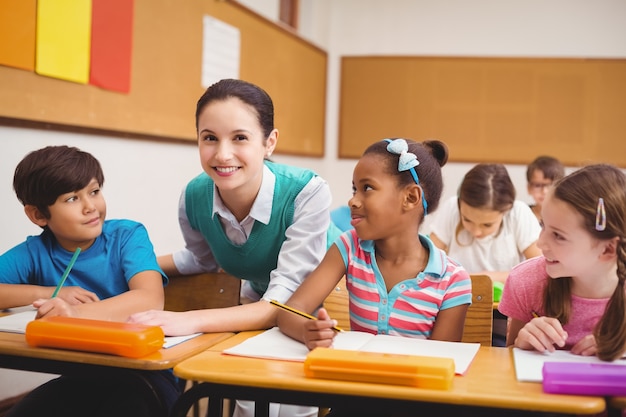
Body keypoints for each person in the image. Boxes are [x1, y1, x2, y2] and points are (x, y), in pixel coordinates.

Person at [128, 78, 340, 417]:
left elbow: (282, 302)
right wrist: (132, 267)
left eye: (240, 137)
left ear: (269, 142)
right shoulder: (194, 196)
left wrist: (185, 320)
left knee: (281, 406)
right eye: (209, 138)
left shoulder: (307, 193)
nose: (222, 154)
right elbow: (202, 259)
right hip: (265, 308)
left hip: (329, 311)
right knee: (244, 394)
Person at [276, 138, 472, 415]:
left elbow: (439, 369)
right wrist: (307, 332)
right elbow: (289, 312)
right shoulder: (349, 247)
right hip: (354, 400)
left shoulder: (452, 280)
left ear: (411, 198)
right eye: (354, 189)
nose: (353, 200)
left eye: (367, 188)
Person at [0, 145, 175, 417]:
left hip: (145, 378)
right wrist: (48, 293)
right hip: (82, 378)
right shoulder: (36, 251)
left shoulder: (126, 236)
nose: (90, 206)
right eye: (72, 199)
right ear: (38, 215)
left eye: (94, 192)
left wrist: (72, 314)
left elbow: (150, 298)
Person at [499, 164, 626, 361]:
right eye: (543, 226)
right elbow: (507, 361)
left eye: (558, 235)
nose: (540, 243)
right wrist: (521, 344)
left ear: (608, 249)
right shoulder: (526, 282)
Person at [428, 163, 542, 346]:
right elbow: (428, 262)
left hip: (502, 315)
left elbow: (540, 268)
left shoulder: (519, 213)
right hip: (456, 310)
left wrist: (488, 277)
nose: (476, 232)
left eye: (487, 225)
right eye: (468, 220)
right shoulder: (451, 208)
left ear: (505, 211)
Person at [526, 155, 565, 222]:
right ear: (529, 188)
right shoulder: (523, 215)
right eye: (538, 185)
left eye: (550, 185)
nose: (544, 191)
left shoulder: (566, 216)